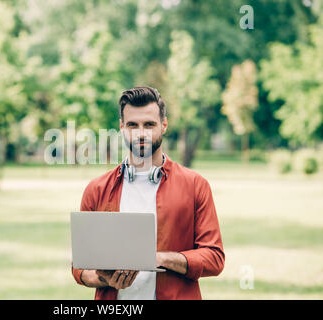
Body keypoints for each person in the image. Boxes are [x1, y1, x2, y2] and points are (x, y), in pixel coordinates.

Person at [71, 86, 224, 300]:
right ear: (122, 127)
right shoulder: (96, 190)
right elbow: (80, 268)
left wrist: (157, 259)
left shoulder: (196, 186)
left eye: (149, 124)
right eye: (133, 125)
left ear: (164, 125)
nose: (141, 132)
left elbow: (214, 258)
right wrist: (105, 279)